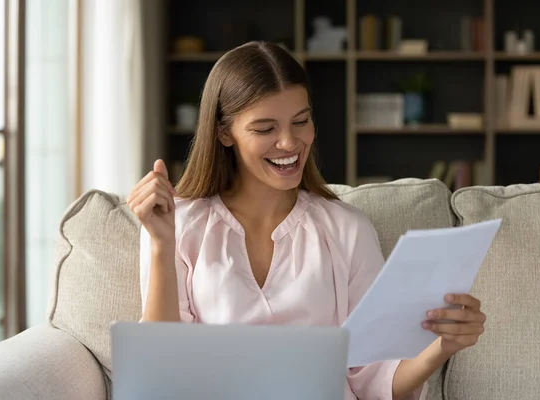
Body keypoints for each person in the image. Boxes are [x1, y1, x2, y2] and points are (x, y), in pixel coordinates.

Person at [127, 41, 487, 400]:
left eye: (301, 121)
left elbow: (375, 380)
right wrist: (161, 244)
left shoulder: (346, 229)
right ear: (224, 133)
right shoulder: (181, 225)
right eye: (265, 129)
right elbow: (163, 372)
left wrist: (441, 345)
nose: (289, 142)